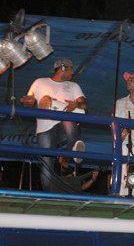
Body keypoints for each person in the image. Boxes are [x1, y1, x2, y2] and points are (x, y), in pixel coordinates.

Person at [20, 59, 87, 192]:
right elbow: (30, 103)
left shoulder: (73, 86)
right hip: (45, 128)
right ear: (62, 69)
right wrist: (27, 102)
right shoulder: (39, 82)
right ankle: (47, 194)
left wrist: (76, 105)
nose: (72, 72)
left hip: (65, 127)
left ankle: (73, 147)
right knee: (47, 164)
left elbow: (84, 105)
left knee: (67, 119)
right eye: (70, 69)